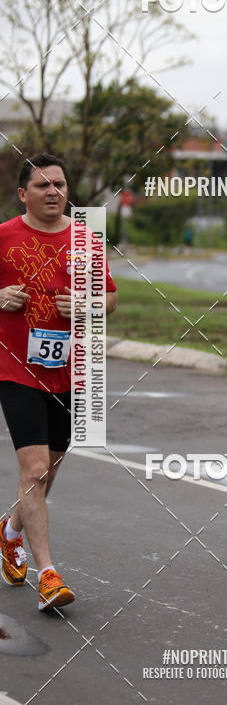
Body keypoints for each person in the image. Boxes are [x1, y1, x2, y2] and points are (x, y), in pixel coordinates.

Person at [0, 153, 118, 611]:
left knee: (46, 474)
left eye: (60, 185)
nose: (53, 192)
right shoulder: (5, 236)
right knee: (32, 471)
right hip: (15, 369)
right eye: (43, 185)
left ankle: (9, 532)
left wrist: (87, 306)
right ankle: (47, 573)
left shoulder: (87, 239)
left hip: (71, 370)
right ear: (23, 193)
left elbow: (108, 298)